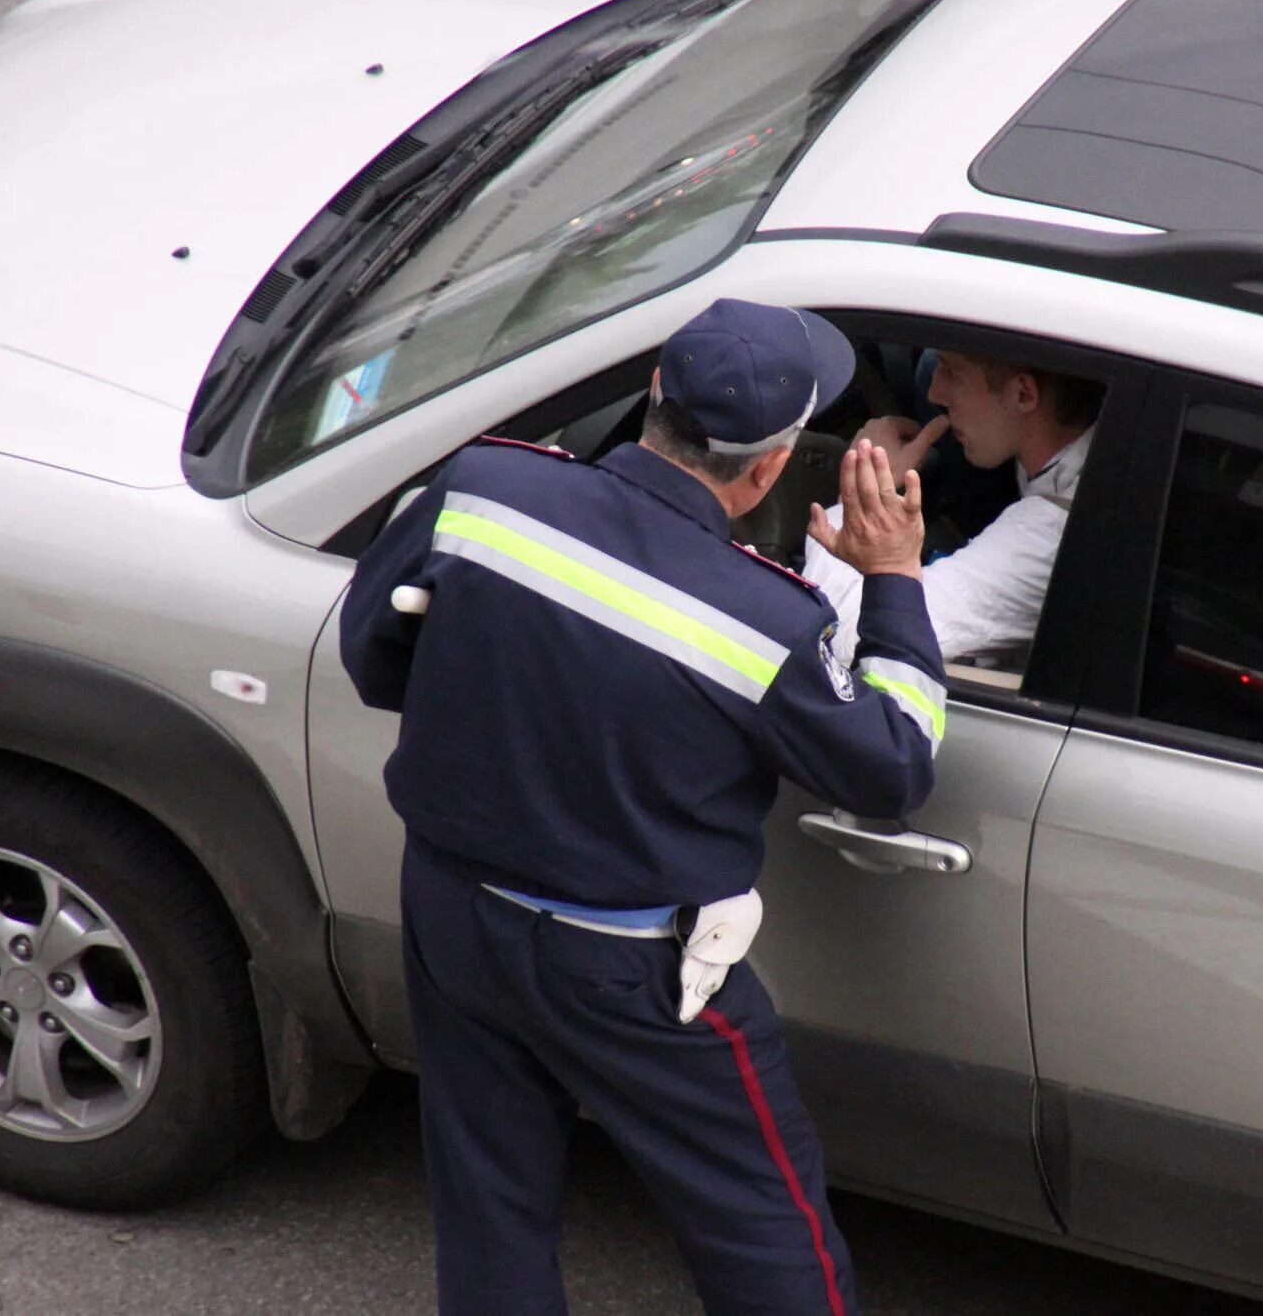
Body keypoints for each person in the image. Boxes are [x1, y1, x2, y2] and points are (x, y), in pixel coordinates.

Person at [339, 297, 948, 1316]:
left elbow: (374, 653)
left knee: (491, 1214)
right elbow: (891, 770)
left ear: (654, 394)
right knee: (765, 1236)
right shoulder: (766, 621)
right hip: (634, 966)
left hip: (454, 911)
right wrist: (891, 579)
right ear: (768, 470)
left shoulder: (485, 487)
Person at [802, 349, 1105, 665]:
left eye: (953, 373)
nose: (935, 392)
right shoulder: (1062, 448)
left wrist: (862, 498)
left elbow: (839, 639)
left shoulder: (1046, 537)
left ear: (1024, 393)